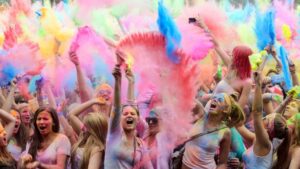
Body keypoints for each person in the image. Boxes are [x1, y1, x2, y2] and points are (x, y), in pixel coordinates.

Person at [104, 50, 153, 169]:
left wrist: (131, 82)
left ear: (137, 120)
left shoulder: (140, 144)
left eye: (132, 114)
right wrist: (118, 81)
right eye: (125, 114)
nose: (129, 115)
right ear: (120, 119)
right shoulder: (114, 134)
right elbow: (116, 108)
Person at [237, 72, 291, 169]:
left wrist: (258, 84)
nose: (265, 117)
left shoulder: (264, 143)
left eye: (266, 118)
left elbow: (257, 112)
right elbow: (239, 126)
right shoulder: (260, 140)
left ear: (267, 128)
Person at [182, 93, 245, 169]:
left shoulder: (225, 131)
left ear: (226, 109)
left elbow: (222, 163)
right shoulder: (201, 115)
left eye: (220, 100)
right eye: (214, 98)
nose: (214, 99)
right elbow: (186, 95)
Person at [68, 98, 108, 169]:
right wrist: (93, 101)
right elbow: (71, 115)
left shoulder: (97, 149)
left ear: (93, 130)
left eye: (85, 126)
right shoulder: (83, 135)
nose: (82, 127)